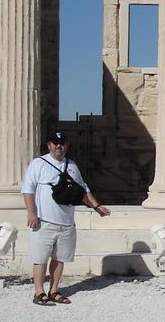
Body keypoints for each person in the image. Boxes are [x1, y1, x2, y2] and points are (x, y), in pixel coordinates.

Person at [21, 131, 110, 306]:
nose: (59, 146)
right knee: (40, 258)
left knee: (59, 258)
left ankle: (54, 290)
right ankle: (39, 292)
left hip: (66, 221)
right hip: (44, 220)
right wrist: (31, 212)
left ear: (66, 146)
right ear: (49, 145)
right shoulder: (38, 164)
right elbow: (28, 188)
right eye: (55, 143)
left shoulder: (72, 166)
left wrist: (97, 206)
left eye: (62, 143)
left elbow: (83, 190)